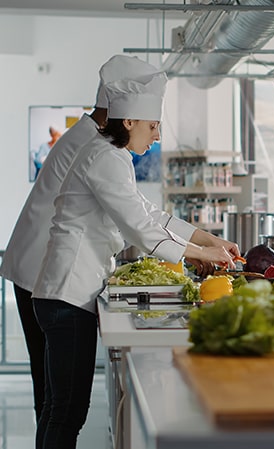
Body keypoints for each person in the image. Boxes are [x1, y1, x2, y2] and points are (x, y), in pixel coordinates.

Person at [31, 60, 240, 449]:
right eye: (153, 126)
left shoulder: (110, 155)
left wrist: (207, 241)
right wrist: (201, 255)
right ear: (129, 122)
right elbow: (140, 229)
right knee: (66, 411)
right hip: (66, 293)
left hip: (65, 291)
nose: (157, 136)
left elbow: (149, 214)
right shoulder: (104, 158)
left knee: (59, 408)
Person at [0, 54, 167, 423]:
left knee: (54, 399)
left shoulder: (90, 137)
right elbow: (133, 215)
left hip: (43, 268)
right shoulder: (95, 146)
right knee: (57, 400)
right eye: (149, 123)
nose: (153, 134)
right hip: (42, 271)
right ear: (124, 114)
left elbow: (131, 210)